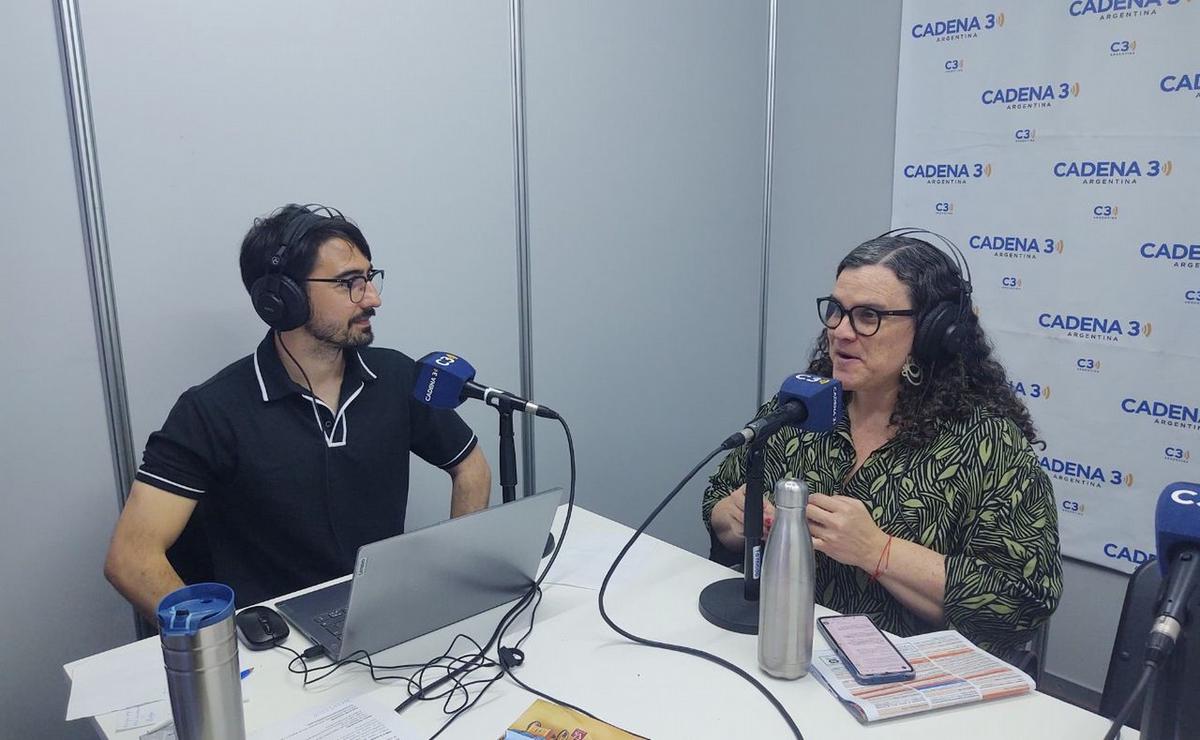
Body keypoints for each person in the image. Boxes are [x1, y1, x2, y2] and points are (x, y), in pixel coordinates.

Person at [105, 204, 491, 618]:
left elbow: (471, 467)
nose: (373, 298)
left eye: (370, 278)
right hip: (278, 650)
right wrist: (223, 648)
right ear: (281, 298)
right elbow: (131, 559)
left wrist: (455, 583)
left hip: (380, 619)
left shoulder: (395, 376)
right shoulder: (211, 411)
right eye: (349, 284)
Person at [703, 231, 1062, 661]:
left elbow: (1022, 599)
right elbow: (718, 506)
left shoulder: (988, 445)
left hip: (908, 680)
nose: (841, 331)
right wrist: (736, 518)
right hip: (779, 650)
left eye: (868, 316)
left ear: (932, 332)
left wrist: (877, 551)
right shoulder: (800, 408)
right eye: (836, 311)